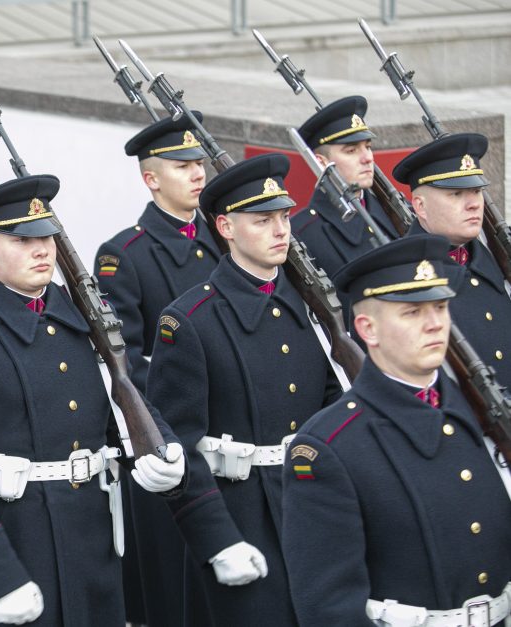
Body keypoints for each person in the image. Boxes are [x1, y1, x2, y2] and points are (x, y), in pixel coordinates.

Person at [0, 174, 185, 625]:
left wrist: (163, 447)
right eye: (21, 240)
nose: (41, 250)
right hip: (14, 539)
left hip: (91, 537)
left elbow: (122, 397)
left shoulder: (86, 319)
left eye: (47, 237)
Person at [147, 153, 342, 625]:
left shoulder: (310, 307)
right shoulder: (190, 321)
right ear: (227, 228)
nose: (280, 231)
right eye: (262, 221)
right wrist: (216, 538)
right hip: (240, 516)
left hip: (311, 508)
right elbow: (177, 444)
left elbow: (336, 409)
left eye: (283, 218)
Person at [282, 234, 511, 626]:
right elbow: (329, 609)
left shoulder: (475, 414)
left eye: (440, 307)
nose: (435, 324)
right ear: (367, 329)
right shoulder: (328, 448)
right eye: (413, 312)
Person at [93, 112, 220, 626]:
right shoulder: (124, 255)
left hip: (233, 436)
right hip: (172, 437)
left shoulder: (224, 239)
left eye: (200, 162)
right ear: (151, 178)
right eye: (182, 165)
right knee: (174, 593)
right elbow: (127, 362)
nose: (198, 173)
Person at [393, 132, 511, 388]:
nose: (473, 204)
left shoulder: (494, 260)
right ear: (420, 207)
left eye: (477, 191)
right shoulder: (398, 276)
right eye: (456, 194)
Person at [292, 96, 400, 286]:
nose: (367, 158)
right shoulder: (302, 233)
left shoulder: (394, 211)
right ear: (321, 162)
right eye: (351, 151)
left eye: (368, 147)